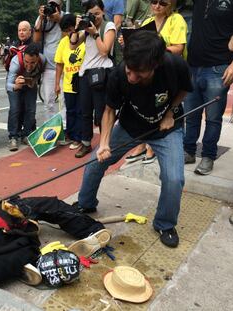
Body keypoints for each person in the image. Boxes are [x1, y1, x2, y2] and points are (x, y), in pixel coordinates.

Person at [76, 31, 193, 248]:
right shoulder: (120, 73)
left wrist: (170, 112)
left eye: (140, 75)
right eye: (130, 71)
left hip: (166, 128)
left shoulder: (175, 65)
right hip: (131, 126)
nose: (132, 78)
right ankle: (85, 204)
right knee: (95, 162)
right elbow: (110, 110)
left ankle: (165, 224)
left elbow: (185, 89)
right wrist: (103, 144)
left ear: (156, 65)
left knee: (174, 178)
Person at [125, 0, 188, 164]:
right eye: (154, 2)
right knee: (146, 109)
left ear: (171, 5)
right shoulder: (147, 21)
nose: (157, 6)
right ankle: (141, 145)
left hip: (168, 73)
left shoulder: (177, 20)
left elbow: (179, 48)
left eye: (163, 3)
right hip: (149, 72)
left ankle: (151, 148)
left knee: (161, 107)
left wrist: (156, 49)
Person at [183, 0, 233, 175]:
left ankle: (208, 156)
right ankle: (188, 151)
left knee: (213, 118)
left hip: (218, 68)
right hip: (193, 66)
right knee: (191, 114)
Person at [69, 0, 116, 158]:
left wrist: (95, 33)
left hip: (101, 73)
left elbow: (104, 51)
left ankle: (105, 143)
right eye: (91, 14)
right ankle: (86, 143)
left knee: (102, 112)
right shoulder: (86, 28)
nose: (94, 17)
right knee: (85, 112)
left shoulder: (108, 26)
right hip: (85, 74)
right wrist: (77, 28)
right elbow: (72, 45)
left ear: (103, 11)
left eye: (97, 13)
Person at [54, 13, 86, 151]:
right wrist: (57, 83)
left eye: (70, 30)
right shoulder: (63, 42)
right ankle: (71, 135)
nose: (68, 33)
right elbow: (59, 64)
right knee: (70, 111)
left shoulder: (85, 37)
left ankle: (79, 138)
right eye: (65, 31)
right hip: (68, 83)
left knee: (81, 111)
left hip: (83, 80)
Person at [6, 43, 45, 151]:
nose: (29, 65)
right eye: (26, 62)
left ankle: (26, 135)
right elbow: (7, 85)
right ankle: (13, 137)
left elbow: (40, 73)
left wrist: (33, 81)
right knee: (15, 109)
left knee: (31, 110)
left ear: (38, 58)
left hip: (30, 83)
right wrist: (16, 86)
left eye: (33, 63)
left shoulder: (43, 60)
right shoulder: (16, 62)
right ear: (23, 57)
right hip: (15, 84)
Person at [33, 0, 64, 121]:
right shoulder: (43, 17)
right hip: (49, 66)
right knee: (48, 102)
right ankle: (50, 130)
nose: (52, 7)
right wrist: (41, 18)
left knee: (64, 101)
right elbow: (36, 39)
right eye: (51, 3)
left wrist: (59, 20)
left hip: (65, 66)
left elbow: (73, 33)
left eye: (55, 4)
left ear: (61, 5)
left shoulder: (66, 17)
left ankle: (65, 130)